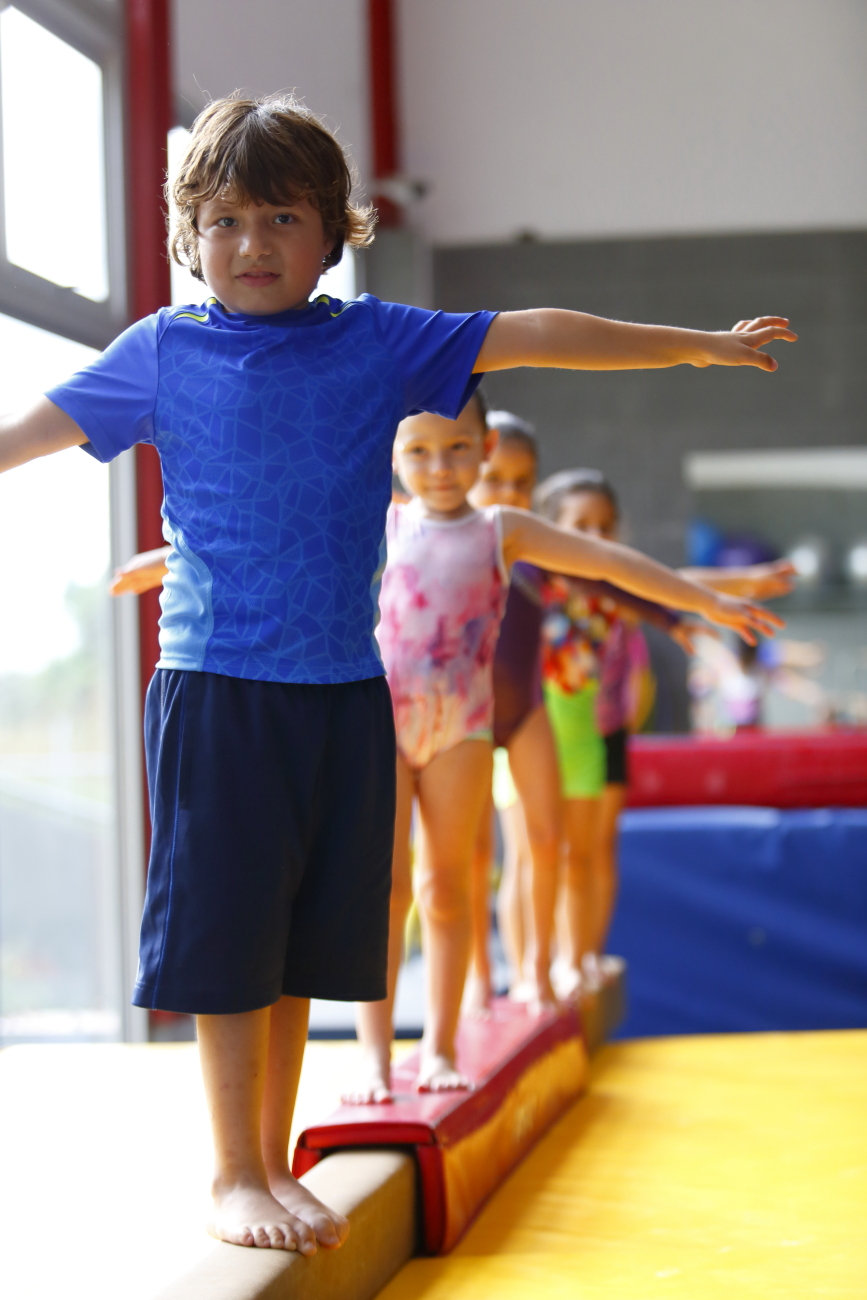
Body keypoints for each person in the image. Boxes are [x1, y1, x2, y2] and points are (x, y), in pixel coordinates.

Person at [0, 88, 796, 1251]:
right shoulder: (160, 352)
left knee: (302, 940)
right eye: (223, 221)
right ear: (188, 236)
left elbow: (534, 330)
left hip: (343, 689)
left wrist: (695, 346)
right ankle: (232, 1171)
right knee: (228, 938)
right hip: (220, 686)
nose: (250, 244)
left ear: (332, 233)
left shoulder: (379, 344)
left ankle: (270, 1161)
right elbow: (27, 433)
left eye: (278, 219)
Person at [344, 398, 782, 1104]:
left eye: (458, 448)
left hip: (463, 725)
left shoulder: (502, 529)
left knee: (446, 891)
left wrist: (702, 598)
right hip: (386, 719)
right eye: (419, 451)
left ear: (484, 448)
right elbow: (281, 541)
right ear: (392, 456)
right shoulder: (382, 520)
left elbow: (606, 563)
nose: (439, 467)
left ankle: (439, 1044)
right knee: (385, 893)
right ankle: (372, 1053)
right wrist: (170, 559)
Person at [535, 470, 797, 994]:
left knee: (599, 848)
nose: (595, 538)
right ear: (551, 530)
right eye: (579, 525)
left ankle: (587, 955)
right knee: (564, 853)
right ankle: (559, 959)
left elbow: (671, 579)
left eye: (605, 527)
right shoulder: (548, 585)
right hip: (554, 733)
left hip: (607, 730)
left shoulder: (617, 585)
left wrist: (744, 582)